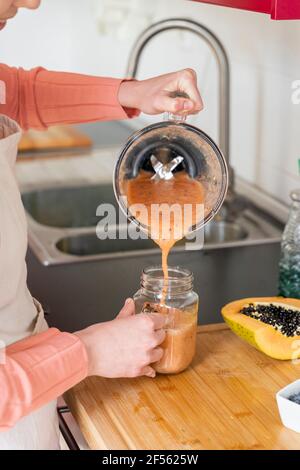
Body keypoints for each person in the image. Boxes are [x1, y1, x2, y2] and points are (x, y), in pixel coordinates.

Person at [0, 0, 203, 450]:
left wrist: (133, 93)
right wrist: (87, 352)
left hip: (26, 363)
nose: (32, 2)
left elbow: (13, 91)